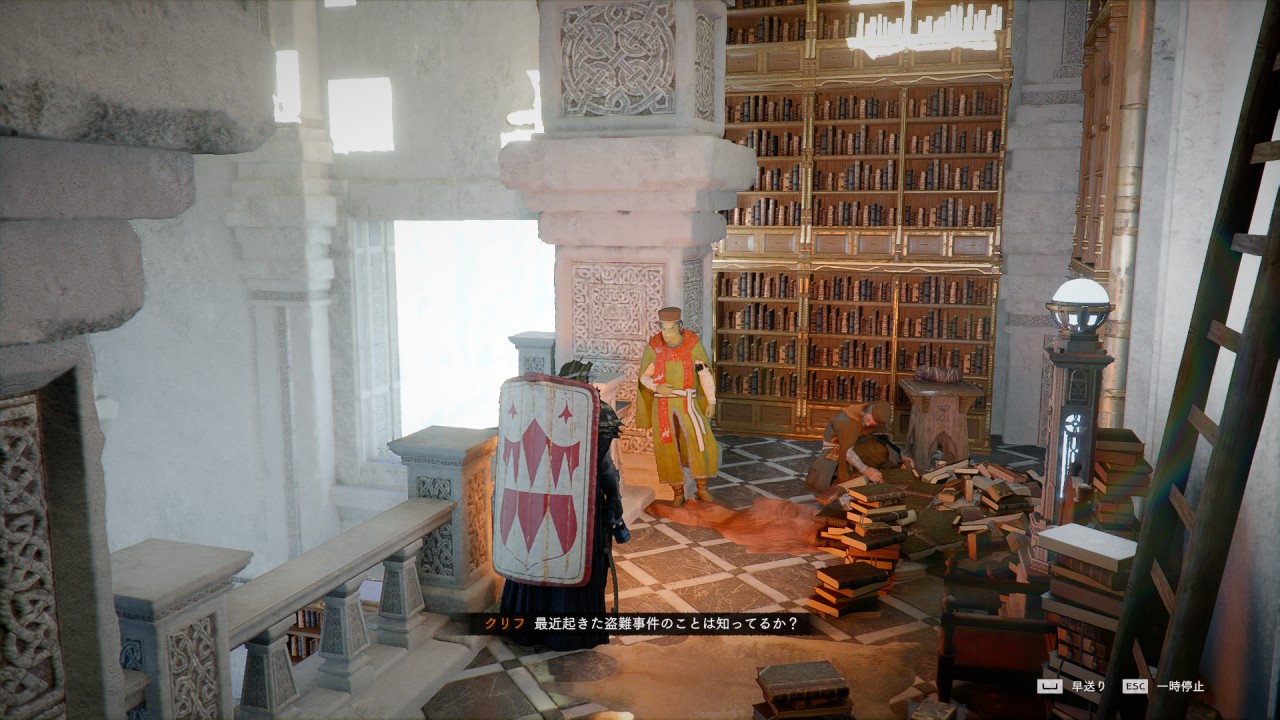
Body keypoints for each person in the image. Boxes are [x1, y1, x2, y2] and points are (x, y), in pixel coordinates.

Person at [499, 401, 629, 650]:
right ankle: (568, 634)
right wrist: (614, 499)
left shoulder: (530, 405)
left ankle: (526, 628)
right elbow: (603, 466)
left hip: (532, 507)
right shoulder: (593, 408)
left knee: (535, 560)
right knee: (571, 563)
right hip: (579, 507)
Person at [636, 306, 720, 506]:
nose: (666, 333)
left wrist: (711, 400)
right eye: (663, 328)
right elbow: (644, 377)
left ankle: (702, 488)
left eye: (670, 328)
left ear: (680, 326)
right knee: (667, 448)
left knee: (700, 442)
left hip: (688, 403)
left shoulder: (692, 344)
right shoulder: (655, 346)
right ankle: (677, 492)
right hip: (663, 407)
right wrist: (657, 386)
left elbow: (704, 373)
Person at [804, 401, 909, 493]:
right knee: (841, 478)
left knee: (880, 450)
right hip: (836, 451)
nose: (868, 425)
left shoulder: (874, 418)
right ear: (866, 413)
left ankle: (866, 475)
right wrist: (865, 469)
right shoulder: (846, 421)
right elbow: (847, 450)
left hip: (858, 446)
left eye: (872, 424)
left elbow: (884, 438)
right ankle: (853, 478)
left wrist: (901, 454)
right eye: (868, 420)